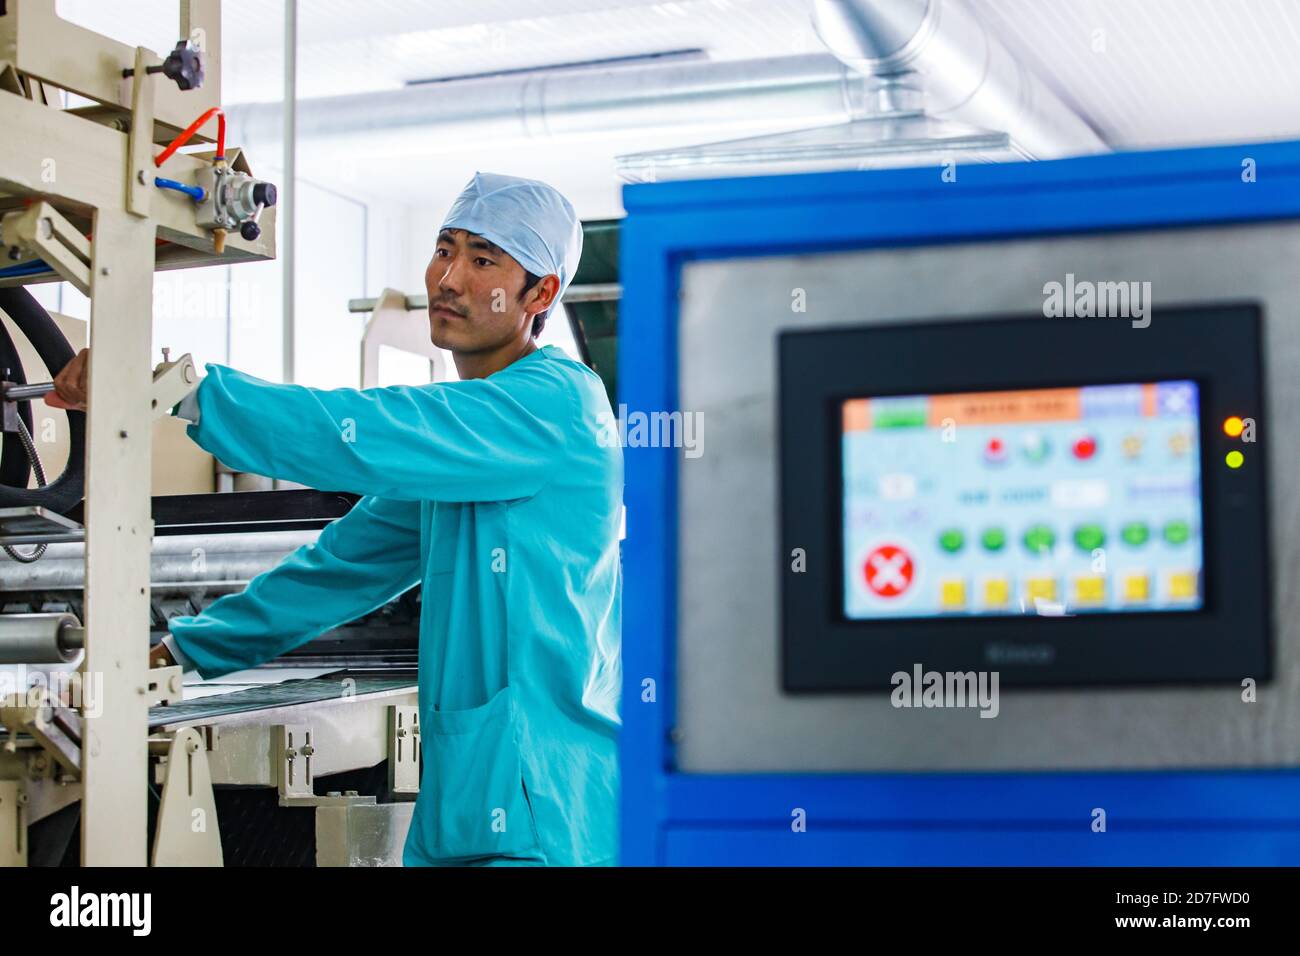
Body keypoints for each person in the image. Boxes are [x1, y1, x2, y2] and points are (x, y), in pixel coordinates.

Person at [49, 172, 623, 867]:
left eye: (482, 261)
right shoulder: (476, 445)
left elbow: (360, 431)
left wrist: (181, 393)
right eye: (445, 249)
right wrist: (183, 651)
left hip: (539, 810)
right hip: (479, 808)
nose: (449, 278)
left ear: (541, 294)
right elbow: (346, 568)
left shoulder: (551, 407)